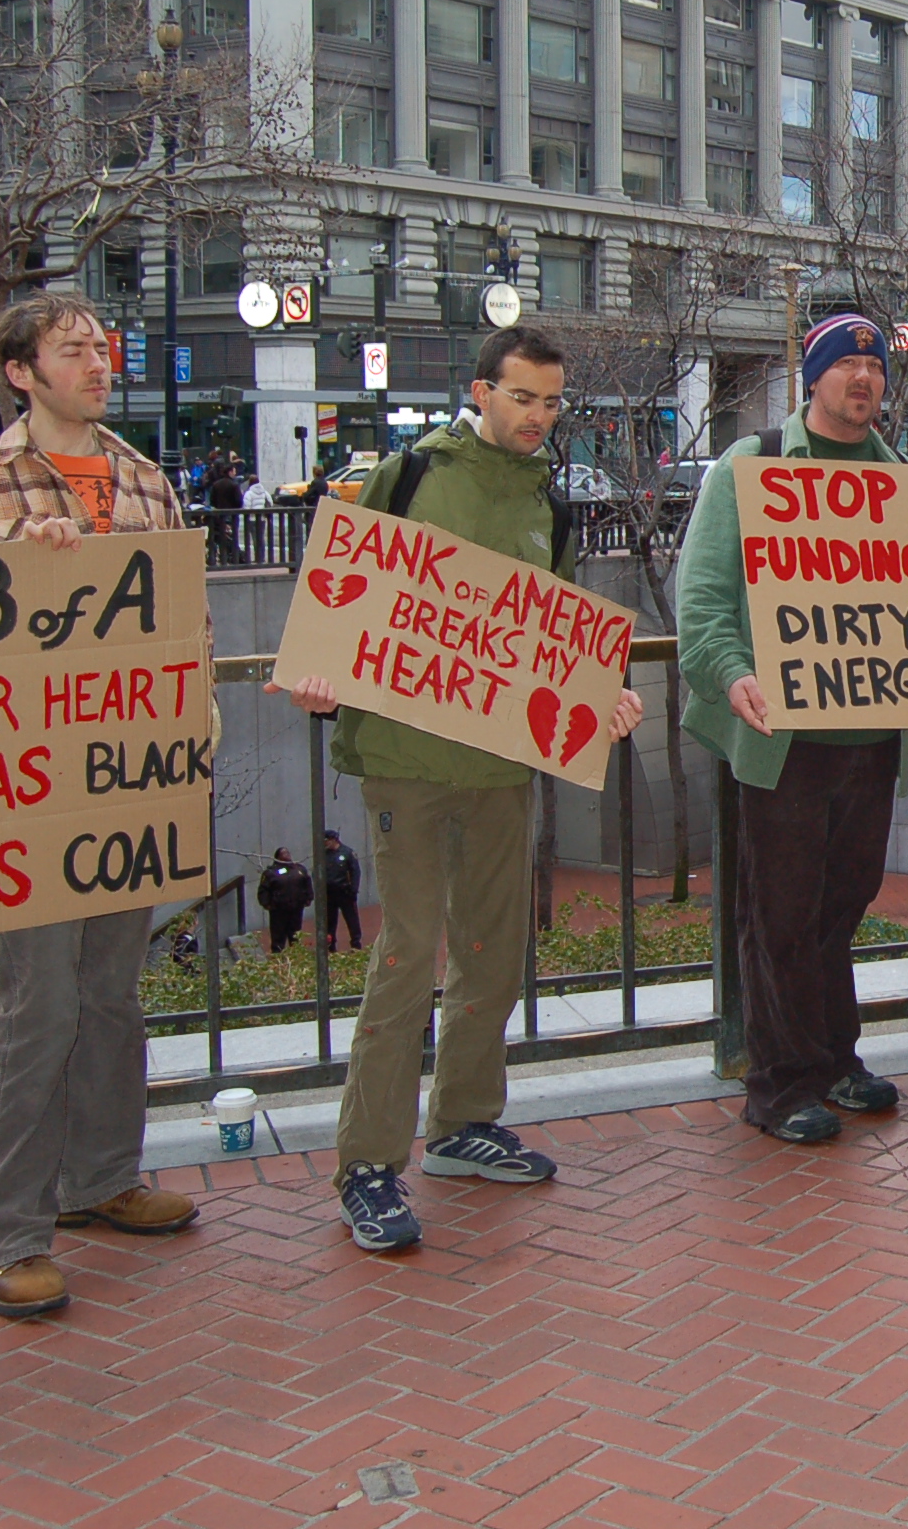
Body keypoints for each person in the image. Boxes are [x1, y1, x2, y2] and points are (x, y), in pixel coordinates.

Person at [276, 324, 643, 1249]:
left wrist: (600, 695)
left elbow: (553, 640)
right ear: (481, 393)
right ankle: (368, 1164)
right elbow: (339, 594)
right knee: (407, 955)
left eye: (551, 401)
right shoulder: (406, 477)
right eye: (522, 397)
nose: (538, 415)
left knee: (492, 949)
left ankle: (461, 1123)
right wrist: (318, 675)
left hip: (498, 767)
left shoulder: (549, 504)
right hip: (405, 760)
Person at [0, 295, 202, 1319]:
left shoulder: (145, 480)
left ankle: (101, 1176)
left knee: (112, 992)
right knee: (35, 1005)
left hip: (125, 780)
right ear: (20, 371)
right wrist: (8, 567)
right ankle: (8, 1231)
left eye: (101, 347)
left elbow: (181, 622)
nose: (97, 362)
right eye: (73, 349)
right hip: (24, 794)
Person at [673, 314, 908, 1141]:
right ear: (812, 377)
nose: (863, 379)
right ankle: (779, 1082)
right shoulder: (751, 467)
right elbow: (703, 600)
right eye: (846, 365)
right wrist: (731, 674)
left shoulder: (905, 483)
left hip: (872, 731)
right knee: (782, 916)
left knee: (843, 905)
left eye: (875, 367)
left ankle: (835, 1059)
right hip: (781, 739)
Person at [256, 849, 313, 954]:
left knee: (295, 934)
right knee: (278, 935)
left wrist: (309, 898)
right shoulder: (271, 873)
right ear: (278, 856)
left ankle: (296, 954)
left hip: (296, 907)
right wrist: (267, 904)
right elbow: (263, 889)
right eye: (284, 853)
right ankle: (277, 955)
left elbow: (307, 883)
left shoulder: (299, 869)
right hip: (279, 910)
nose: (287, 855)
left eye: (288, 852)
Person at [319, 829, 363, 949]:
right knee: (330, 921)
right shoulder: (324, 855)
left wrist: (353, 889)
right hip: (330, 893)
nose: (325, 843)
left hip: (345, 891)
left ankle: (356, 943)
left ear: (334, 840)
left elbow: (355, 872)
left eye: (326, 840)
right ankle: (331, 944)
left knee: (351, 919)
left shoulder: (347, 853)